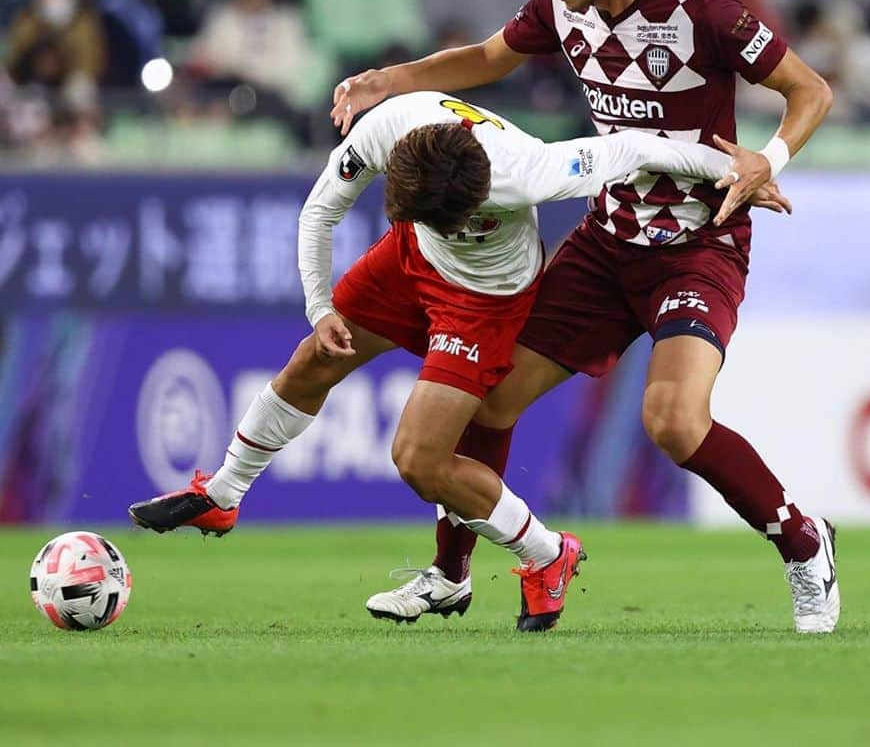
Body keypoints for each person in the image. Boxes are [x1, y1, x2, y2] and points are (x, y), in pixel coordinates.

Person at [331, 0, 841, 634]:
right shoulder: (558, 9)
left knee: (672, 421)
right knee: (494, 397)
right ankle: (449, 574)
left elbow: (812, 92)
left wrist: (770, 157)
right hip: (606, 244)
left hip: (697, 247)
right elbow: (484, 59)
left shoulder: (703, 12)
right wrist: (388, 80)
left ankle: (806, 546)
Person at [129, 91, 788, 631]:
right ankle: (224, 492)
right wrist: (319, 307)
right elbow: (321, 209)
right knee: (311, 362)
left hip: (486, 301)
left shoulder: (534, 169)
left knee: (419, 461)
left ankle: (545, 554)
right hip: (404, 264)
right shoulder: (387, 128)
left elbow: (641, 148)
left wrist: (743, 171)